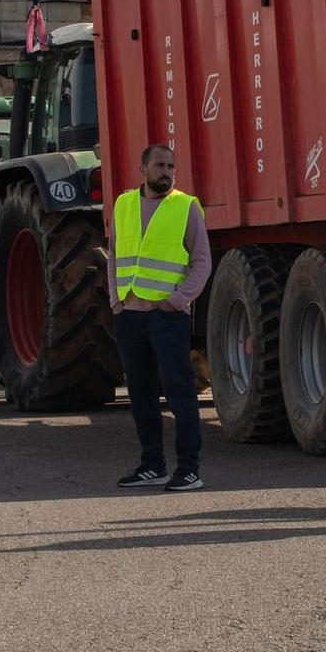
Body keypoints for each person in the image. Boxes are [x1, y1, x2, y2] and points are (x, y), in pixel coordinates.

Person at [109, 144, 211, 491]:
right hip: (130, 315)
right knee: (140, 396)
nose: (166, 172)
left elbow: (201, 262)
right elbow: (114, 256)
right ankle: (152, 465)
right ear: (143, 169)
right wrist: (116, 300)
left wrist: (178, 300)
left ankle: (189, 468)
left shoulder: (185, 207)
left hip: (167, 317)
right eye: (159, 165)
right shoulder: (123, 205)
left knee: (180, 394)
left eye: (171, 165)